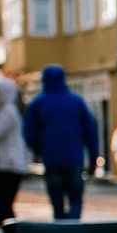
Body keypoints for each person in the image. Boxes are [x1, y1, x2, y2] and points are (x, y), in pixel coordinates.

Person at [22, 64, 99, 220]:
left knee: (57, 200)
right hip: (74, 158)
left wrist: (39, 150)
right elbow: (91, 132)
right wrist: (93, 159)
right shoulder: (76, 102)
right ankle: (72, 227)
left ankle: (61, 229)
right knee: (75, 198)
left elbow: (29, 132)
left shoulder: (38, 104)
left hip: (51, 159)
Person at [0, 76, 28, 225]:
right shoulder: (2, 110)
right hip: (5, 165)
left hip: (10, 166)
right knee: (2, 207)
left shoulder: (8, 111)